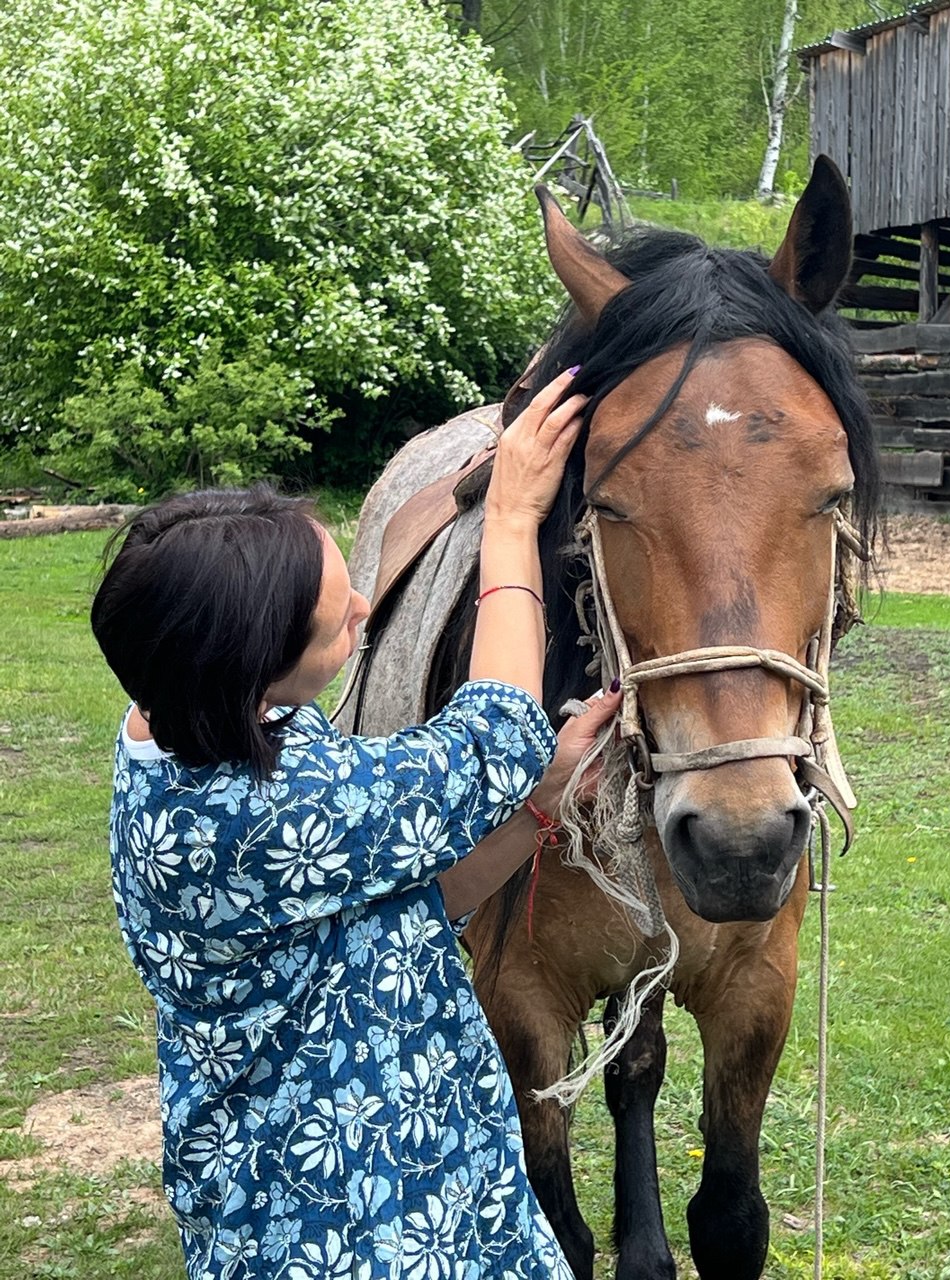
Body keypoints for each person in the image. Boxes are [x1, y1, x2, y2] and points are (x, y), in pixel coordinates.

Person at [91, 368, 622, 1280]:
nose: (364, 612)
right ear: (252, 661)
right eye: (338, 622)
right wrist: (508, 519)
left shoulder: (175, 733)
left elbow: (397, 905)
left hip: (361, 1180)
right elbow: (495, 730)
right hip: (352, 1222)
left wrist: (543, 805)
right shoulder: (270, 811)